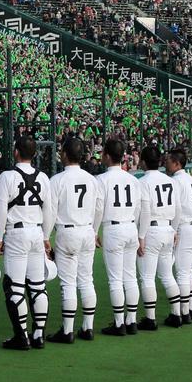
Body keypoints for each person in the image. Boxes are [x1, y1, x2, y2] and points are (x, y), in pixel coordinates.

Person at [0, 135, 54, 350]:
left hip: (16, 233)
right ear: (34, 153)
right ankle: (39, 334)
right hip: (37, 232)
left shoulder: (7, 176)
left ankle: (22, 337)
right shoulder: (43, 177)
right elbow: (49, 210)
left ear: (16, 151)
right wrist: (46, 236)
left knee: (15, 287)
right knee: (38, 286)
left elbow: (1, 209)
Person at [47, 138, 102, 344]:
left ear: (64, 154)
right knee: (87, 280)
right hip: (87, 231)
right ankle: (88, 327)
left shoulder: (57, 180)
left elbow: (50, 212)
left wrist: (45, 236)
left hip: (67, 232)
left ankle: (68, 331)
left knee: (68, 283)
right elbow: (99, 209)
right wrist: (95, 231)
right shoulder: (92, 179)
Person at [95, 139, 143, 335]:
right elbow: (139, 208)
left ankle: (118, 323)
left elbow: (98, 209)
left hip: (113, 229)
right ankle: (131, 321)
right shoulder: (133, 179)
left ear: (106, 155)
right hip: (131, 226)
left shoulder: (101, 180)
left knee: (115, 280)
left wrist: (94, 230)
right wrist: (140, 233)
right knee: (130, 277)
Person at [136, 146, 181, 329]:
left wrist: (141, 236)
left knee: (147, 277)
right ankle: (176, 314)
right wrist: (175, 230)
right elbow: (178, 209)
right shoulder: (170, 180)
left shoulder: (143, 181)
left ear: (144, 162)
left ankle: (150, 318)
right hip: (168, 229)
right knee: (167, 275)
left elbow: (145, 211)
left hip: (152, 231)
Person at [168, 148, 192, 322]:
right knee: (188, 272)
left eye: (168, 160)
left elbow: (176, 209)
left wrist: (173, 230)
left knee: (182, 272)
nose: (165, 163)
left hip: (185, 227)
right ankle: (190, 308)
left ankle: (182, 313)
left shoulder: (176, 181)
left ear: (176, 163)